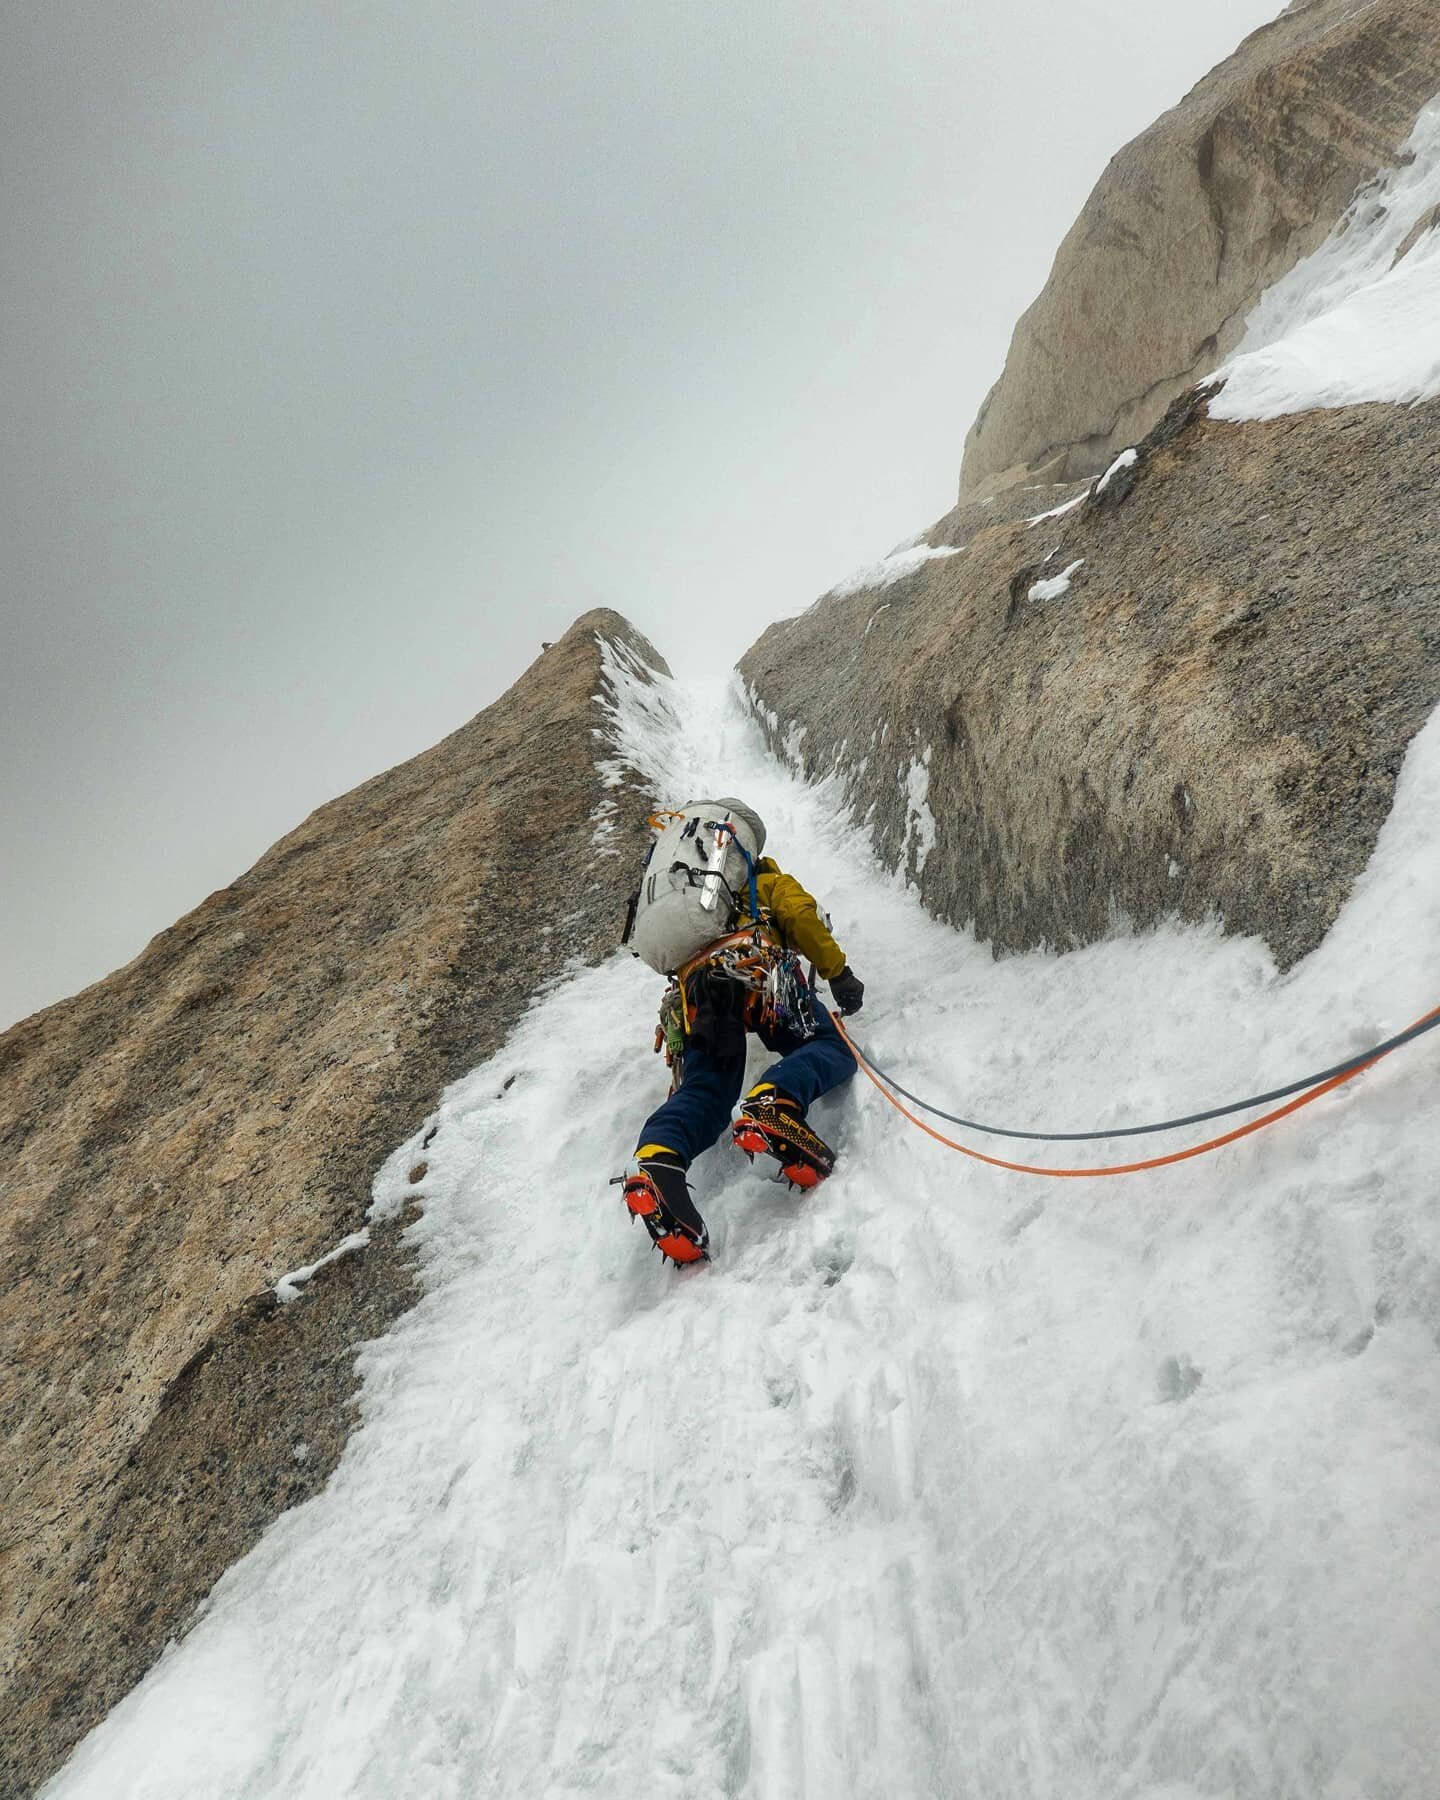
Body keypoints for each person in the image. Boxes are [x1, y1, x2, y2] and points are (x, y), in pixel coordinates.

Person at [620, 797, 865, 1264]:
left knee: (708, 1088)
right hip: (752, 966)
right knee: (825, 1044)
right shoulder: (758, 876)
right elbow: (798, 916)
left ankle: (658, 1156)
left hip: (697, 989)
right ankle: (775, 1102)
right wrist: (838, 973)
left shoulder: (683, 891)